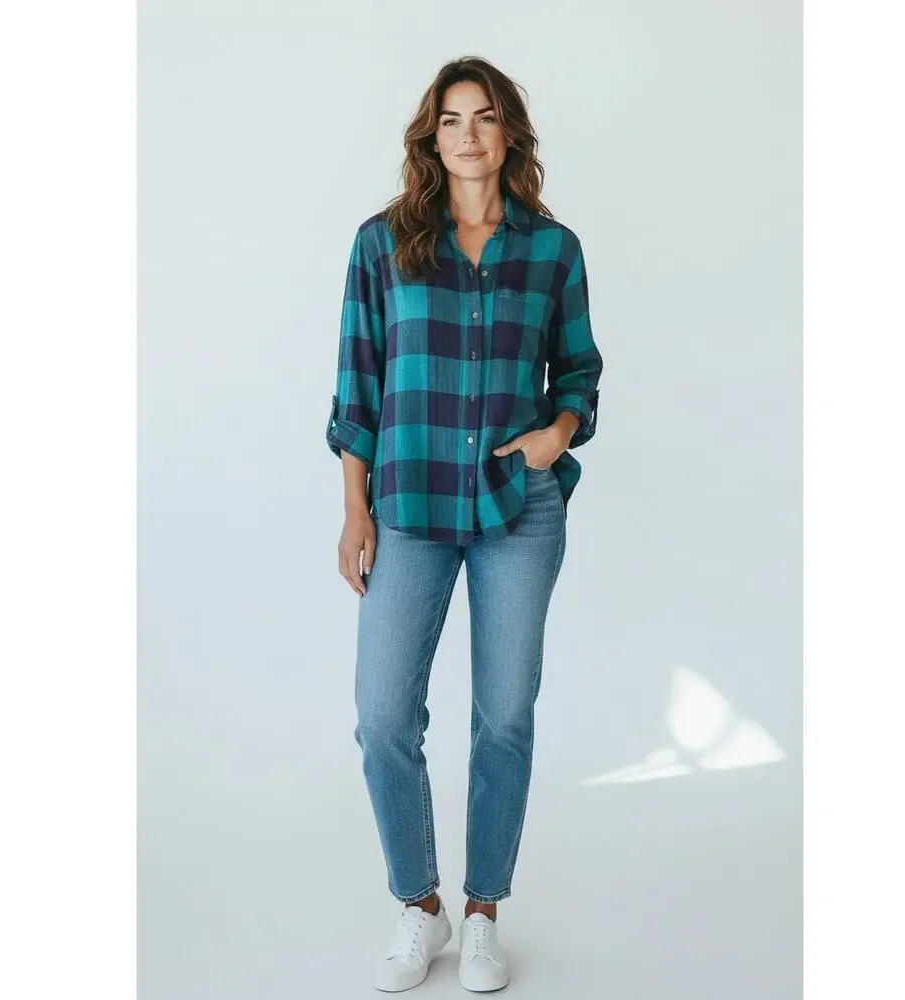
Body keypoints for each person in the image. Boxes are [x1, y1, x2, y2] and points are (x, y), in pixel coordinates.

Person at [326, 55, 603, 993]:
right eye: (452, 119)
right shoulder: (383, 244)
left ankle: (483, 911)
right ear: (431, 137)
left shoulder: (552, 250)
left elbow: (579, 372)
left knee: (505, 717)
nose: (469, 134)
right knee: (382, 718)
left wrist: (554, 435)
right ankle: (422, 904)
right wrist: (354, 509)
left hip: (518, 508)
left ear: (508, 131)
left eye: (485, 117)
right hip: (408, 505)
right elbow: (358, 385)